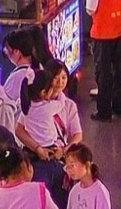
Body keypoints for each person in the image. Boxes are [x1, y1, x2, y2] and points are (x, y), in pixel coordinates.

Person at [17, 65, 82, 202]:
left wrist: (64, 150)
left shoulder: (69, 105)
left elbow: (78, 135)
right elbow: (19, 130)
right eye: (55, 78)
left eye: (64, 77)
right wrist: (38, 149)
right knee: (42, 197)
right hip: (37, 158)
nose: (60, 82)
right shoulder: (35, 102)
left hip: (59, 156)